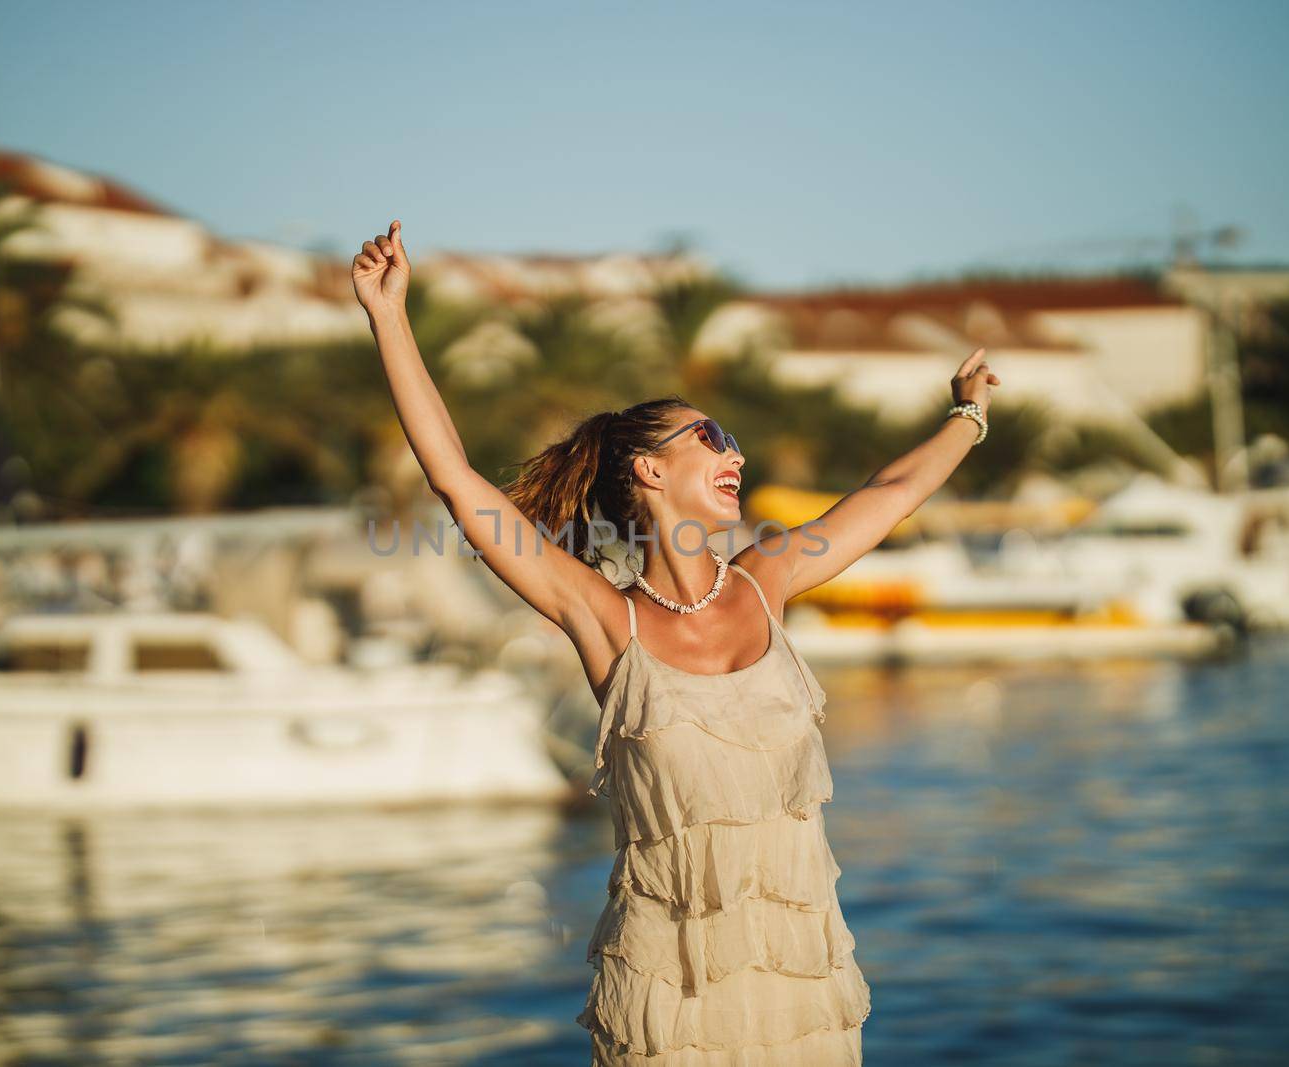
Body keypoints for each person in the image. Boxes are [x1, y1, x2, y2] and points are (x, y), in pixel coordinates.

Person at [350, 220, 999, 1065]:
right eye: (711, 437)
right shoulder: (602, 618)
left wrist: (969, 413)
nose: (735, 452)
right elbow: (456, 479)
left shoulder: (769, 581)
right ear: (649, 471)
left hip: (801, 993)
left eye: (731, 438)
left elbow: (893, 489)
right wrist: (389, 315)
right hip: (669, 1004)